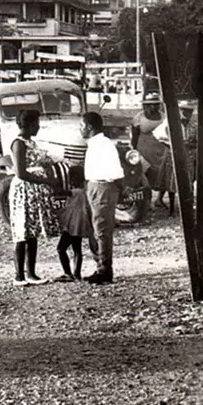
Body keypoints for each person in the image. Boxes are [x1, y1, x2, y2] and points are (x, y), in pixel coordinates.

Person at [8, 109, 60, 286]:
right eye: (36, 124)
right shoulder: (18, 144)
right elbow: (21, 173)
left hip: (34, 192)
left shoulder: (31, 143)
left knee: (32, 232)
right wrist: (45, 180)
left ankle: (31, 273)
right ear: (29, 125)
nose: (38, 127)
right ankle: (19, 276)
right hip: (24, 191)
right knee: (21, 231)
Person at [82, 111, 124, 285]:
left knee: (102, 230)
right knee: (93, 229)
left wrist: (118, 190)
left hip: (104, 187)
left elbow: (116, 172)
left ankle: (105, 270)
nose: (80, 129)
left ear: (89, 127)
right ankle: (99, 265)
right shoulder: (93, 144)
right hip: (93, 185)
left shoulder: (105, 144)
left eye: (82, 125)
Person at [151, 101, 196, 216]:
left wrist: (190, 145)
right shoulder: (171, 124)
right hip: (173, 155)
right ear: (180, 111)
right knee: (171, 182)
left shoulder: (193, 126)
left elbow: (197, 142)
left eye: (190, 111)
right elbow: (159, 137)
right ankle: (171, 209)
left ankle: (188, 207)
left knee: (189, 181)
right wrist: (172, 145)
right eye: (185, 110)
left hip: (189, 156)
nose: (187, 113)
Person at [55, 165, 96, 282]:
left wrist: (54, 181)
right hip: (79, 226)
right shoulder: (83, 192)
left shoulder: (75, 192)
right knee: (77, 249)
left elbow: (61, 191)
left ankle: (68, 273)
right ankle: (77, 274)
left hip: (71, 227)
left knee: (61, 249)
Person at [131, 93, 166, 204]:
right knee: (144, 174)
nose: (155, 107)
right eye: (152, 104)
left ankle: (159, 199)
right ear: (146, 105)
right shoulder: (139, 117)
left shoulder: (164, 117)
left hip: (161, 149)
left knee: (162, 173)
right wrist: (133, 150)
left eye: (157, 104)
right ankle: (147, 200)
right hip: (144, 150)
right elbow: (134, 135)